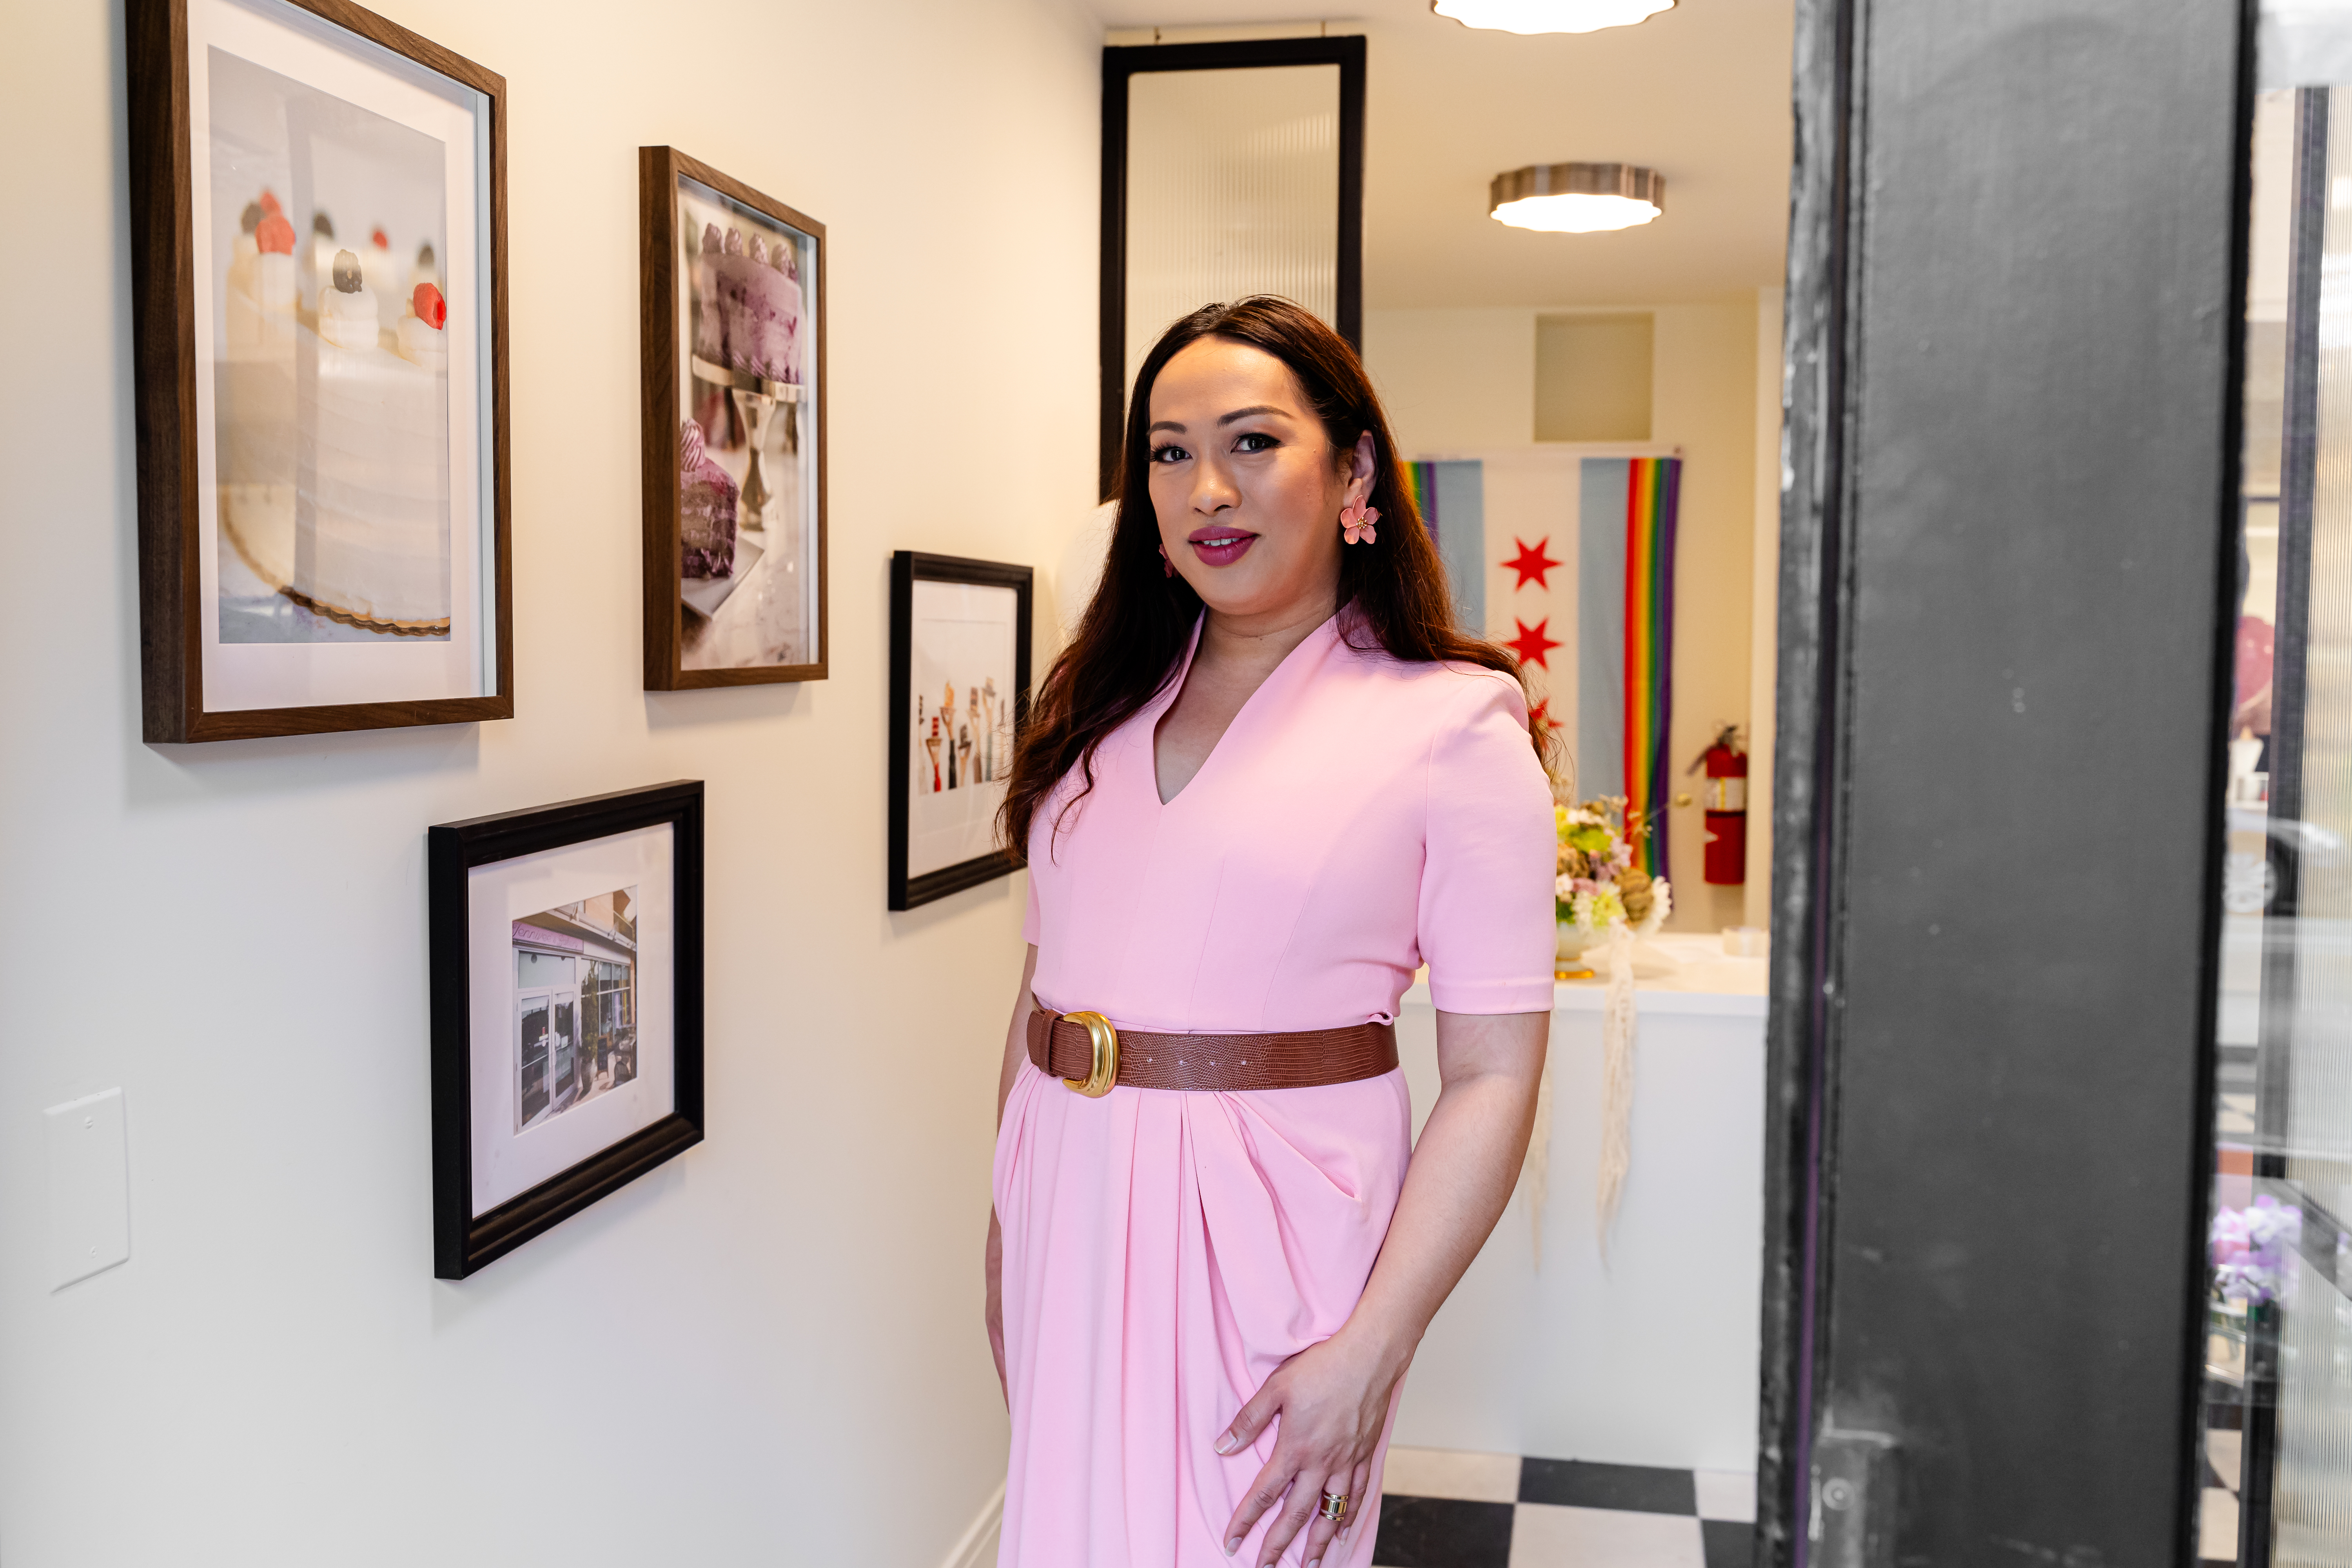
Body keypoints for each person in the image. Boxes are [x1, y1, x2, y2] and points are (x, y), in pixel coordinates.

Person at [986, 297, 1555, 1568]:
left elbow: (1494, 1075)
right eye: (1170, 452)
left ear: (1354, 468)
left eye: (1251, 441)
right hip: (1066, 1201)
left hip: (1272, 1238)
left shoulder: (1455, 728)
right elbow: (1041, 991)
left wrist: (1376, 1343)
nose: (1206, 489)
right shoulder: (1100, 704)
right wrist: (1002, 1226)